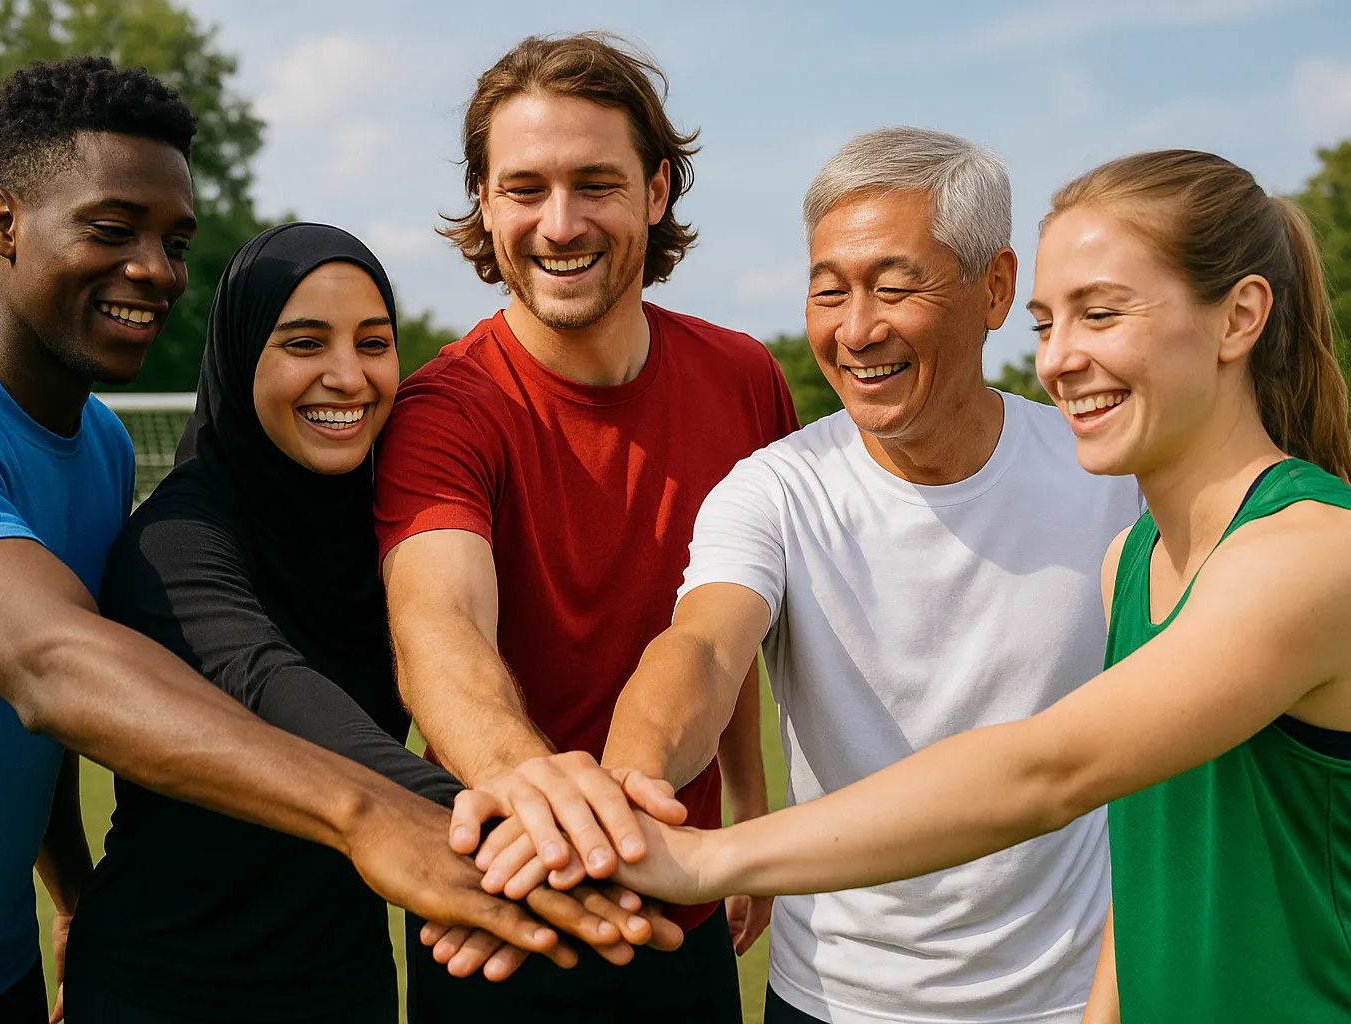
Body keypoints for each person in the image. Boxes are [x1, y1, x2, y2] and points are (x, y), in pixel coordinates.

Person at [0, 57, 639, 1024]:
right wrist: (374, 811)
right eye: (112, 230)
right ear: (2, 224)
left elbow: (18, 713)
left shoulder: (100, 447)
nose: (155, 271)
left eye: (175, 240)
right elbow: (47, 664)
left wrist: (72, 891)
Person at [604, 150, 1351, 1023]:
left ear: (1239, 319)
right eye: (1050, 323)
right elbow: (1143, 838)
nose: (1062, 358)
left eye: (1101, 314)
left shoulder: (1310, 553)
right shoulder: (1136, 559)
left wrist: (703, 860)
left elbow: (1049, 770)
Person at [462, 126, 1145, 1024]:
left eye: (894, 288)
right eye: (829, 291)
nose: (856, 330)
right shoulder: (776, 487)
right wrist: (624, 802)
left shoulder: (1112, 478)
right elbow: (703, 649)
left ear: (996, 289)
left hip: (1069, 1001)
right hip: (830, 1001)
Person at [63, 222, 668, 1023]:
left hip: (346, 979)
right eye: (305, 343)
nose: (347, 378)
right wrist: (525, 824)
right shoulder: (171, 542)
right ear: (244, 354)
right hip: (166, 980)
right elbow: (273, 687)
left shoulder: (396, 527)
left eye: (373, 342)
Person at [375, 32, 799, 1022]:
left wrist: (748, 806)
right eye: (524, 187)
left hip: (674, 896)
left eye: (594, 184)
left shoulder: (744, 379)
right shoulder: (446, 408)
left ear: (655, 192)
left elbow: (730, 621)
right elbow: (437, 637)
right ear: (485, 201)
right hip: (495, 908)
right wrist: (569, 833)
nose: (559, 223)